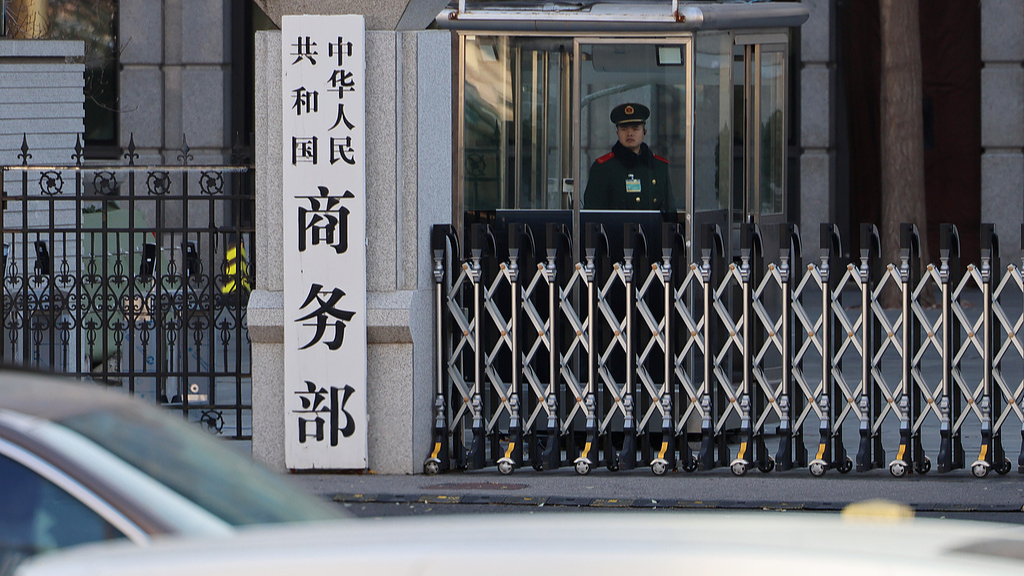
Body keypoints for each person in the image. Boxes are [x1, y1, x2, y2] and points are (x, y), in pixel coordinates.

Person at [583, 103, 675, 216]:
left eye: (635, 129)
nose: (630, 134)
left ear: (644, 132)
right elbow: (592, 217)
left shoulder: (659, 167)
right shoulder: (603, 168)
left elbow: (670, 214)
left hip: (653, 232)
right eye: (624, 129)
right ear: (617, 133)